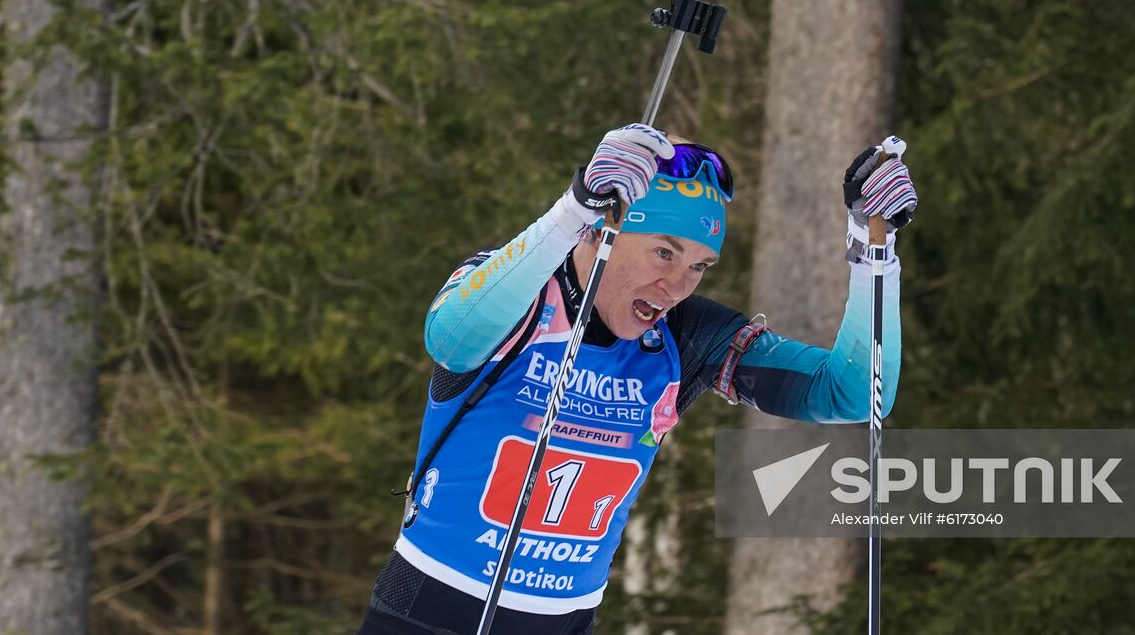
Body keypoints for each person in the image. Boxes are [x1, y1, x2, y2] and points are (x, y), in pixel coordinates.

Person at [358, 123, 918, 634]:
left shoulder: (688, 336)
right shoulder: (521, 286)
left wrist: (875, 252)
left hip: (565, 622)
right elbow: (453, 340)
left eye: (698, 266)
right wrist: (573, 210)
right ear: (603, 232)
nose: (677, 286)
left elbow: (852, 393)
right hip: (428, 611)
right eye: (662, 253)